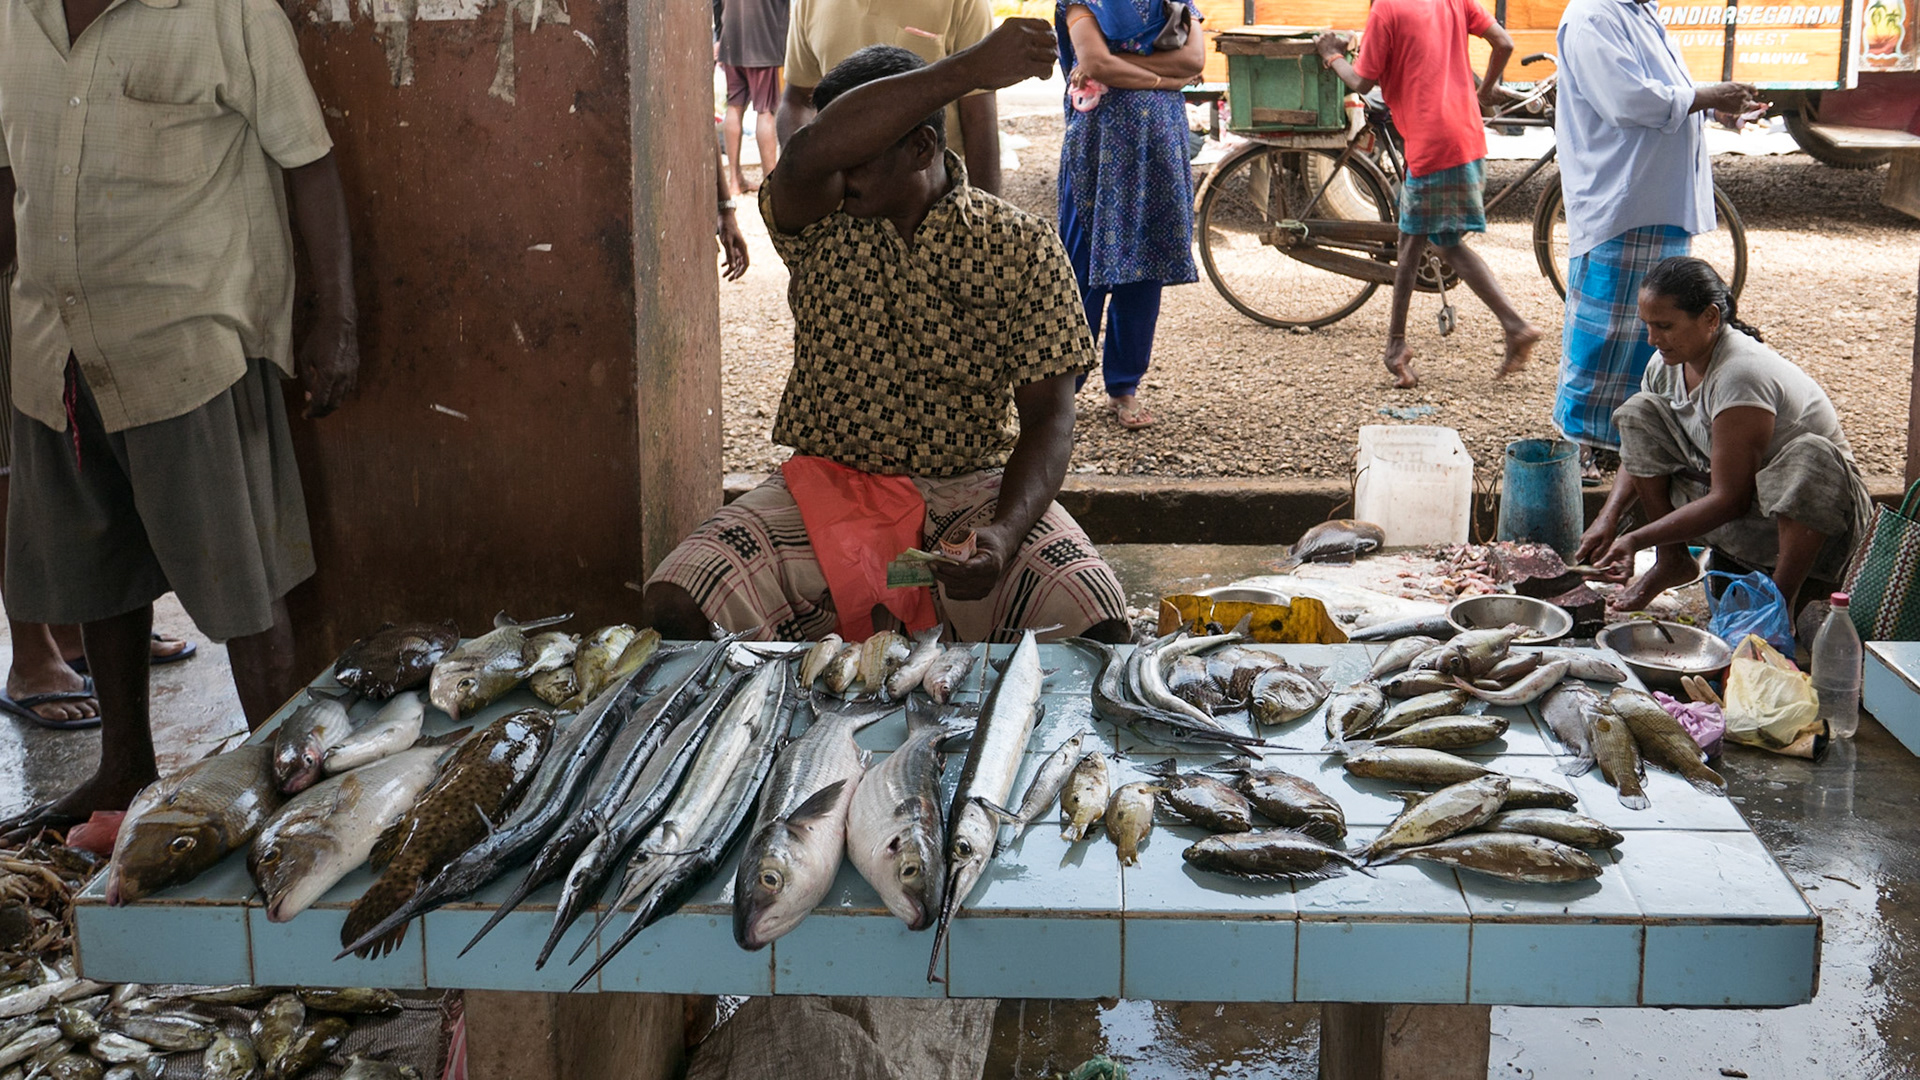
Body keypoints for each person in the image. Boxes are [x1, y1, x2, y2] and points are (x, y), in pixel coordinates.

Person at [642, 25, 1131, 646]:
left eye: (860, 154)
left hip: (971, 494)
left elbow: (1050, 420)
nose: (837, 171)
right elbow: (809, 154)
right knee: (677, 600)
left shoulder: (1022, 247)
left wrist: (1004, 536)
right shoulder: (815, 221)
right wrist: (969, 67)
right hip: (827, 493)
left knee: (1099, 620)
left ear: (923, 147)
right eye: (835, 146)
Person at [0, 0, 358, 836]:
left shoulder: (227, 9)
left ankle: (282, 790)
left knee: (243, 581)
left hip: (186, 340)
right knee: (97, 568)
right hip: (51, 344)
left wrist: (334, 317)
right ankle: (124, 766)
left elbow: (308, 158)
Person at [1575, 257, 1871, 615]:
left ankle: (1778, 602)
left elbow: (1730, 498)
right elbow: (1639, 450)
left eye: (1665, 326)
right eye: (1647, 326)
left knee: (1812, 454)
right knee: (1638, 412)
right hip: (1749, 512)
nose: (1653, 339)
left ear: (1711, 318)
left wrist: (1637, 538)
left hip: (1816, 523)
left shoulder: (1740, 374)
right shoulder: (1665, 365)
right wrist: (1609, 515)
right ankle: (1672, 560)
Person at [1552, 0, 1760, 469]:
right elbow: (1628, 100)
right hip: (1624, 199)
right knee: (1606, 331)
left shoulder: (1639, 14)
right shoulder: (1593, 16)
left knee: (1652, 329)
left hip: (1654, 198)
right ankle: (1585, 445)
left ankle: (1633, 438)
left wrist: (1715, 111)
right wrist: (1707, 97)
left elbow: (1667, 95)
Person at [1316, 3, 1540, 391]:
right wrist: (1484, 91)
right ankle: (1397, 347)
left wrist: (1331, 54)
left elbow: (1362, 82)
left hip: (1432, 143)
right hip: (1465, 133)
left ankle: (1512, 326)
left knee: (1436, 243)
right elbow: (1502, 42)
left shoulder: (1386, 9)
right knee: (1417, 239)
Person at [1056, 0, 1206, 430]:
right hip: (1097, 153)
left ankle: (1124, 386)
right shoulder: (1081, 2)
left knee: (1145, 270)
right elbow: (1093, 61)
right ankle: (1062, 388)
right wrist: (1163, 78)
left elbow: (1195, 59)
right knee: (1080, 270)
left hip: (1157, 147)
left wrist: (1117, 66)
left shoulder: (1175, 2)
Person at [775, 0, 1005, 196]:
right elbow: (797, 99)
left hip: (934, 201)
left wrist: (986, 220)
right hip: (844, 201)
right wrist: (803, 172)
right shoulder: (810, 3)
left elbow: (978, 116)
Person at [715, 0, 790, 194]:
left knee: (734, 105)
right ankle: (771, 184)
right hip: (764, 40)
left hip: (731, 37)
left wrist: (720, 34)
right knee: (766, 110)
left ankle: (734, 180)